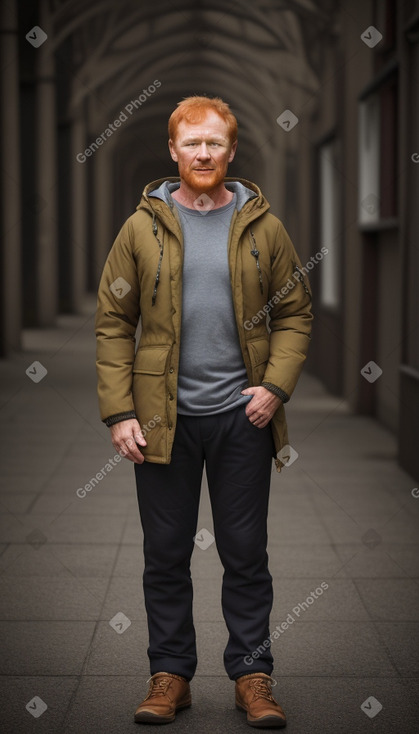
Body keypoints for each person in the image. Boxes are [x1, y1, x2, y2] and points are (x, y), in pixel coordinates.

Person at [95, 95, 313, 728]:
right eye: (192, 143)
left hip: (242, 416)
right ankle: (170, 677)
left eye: (215, 142)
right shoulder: (141, 227)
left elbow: (295, 312)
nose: (204, 153)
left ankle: (252, 676)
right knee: (165, 552)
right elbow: (114, 321)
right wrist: (119, 414)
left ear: (231, 150)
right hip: (162, 420)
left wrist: (274, 387)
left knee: (245, 551)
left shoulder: (262, 225)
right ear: (173, 151)